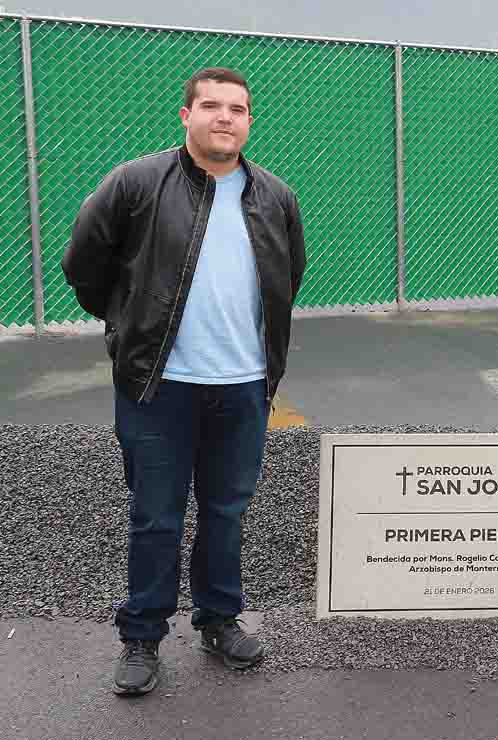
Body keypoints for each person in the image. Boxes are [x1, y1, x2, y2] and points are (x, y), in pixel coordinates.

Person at [61, 67, 306, 696]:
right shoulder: (137, 183)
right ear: (186, 115)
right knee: (156, 517)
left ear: (249, 121)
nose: (226, 117)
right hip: (158, 385)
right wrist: (126, 328)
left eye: (239, 109)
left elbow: (287, 280)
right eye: (213, 107)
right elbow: (84, 265)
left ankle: (219, 619)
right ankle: (141, 634)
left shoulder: (274, 196)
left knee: (227, 511)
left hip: (245, 385)